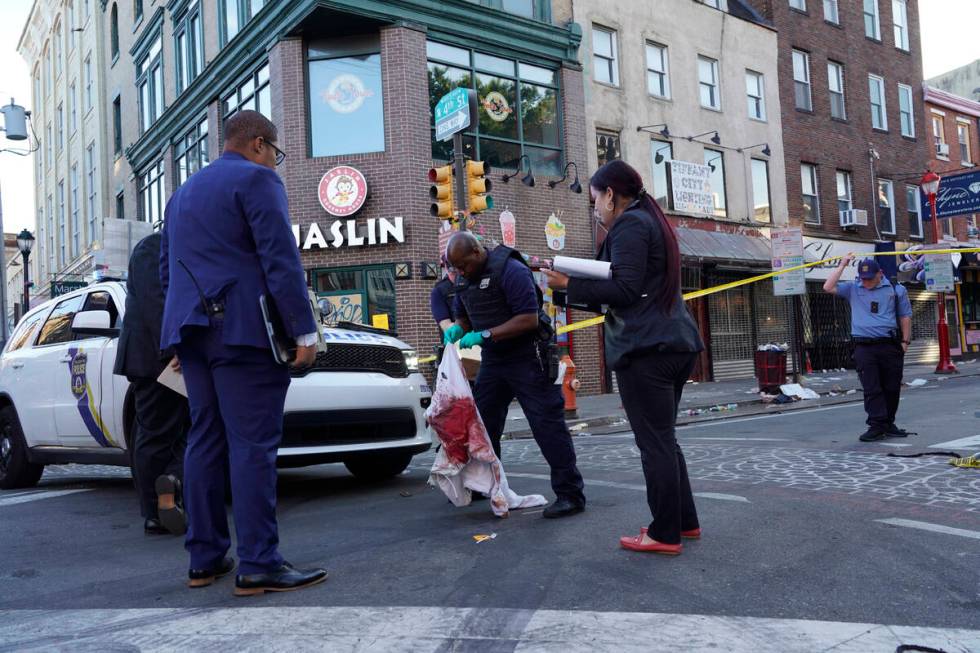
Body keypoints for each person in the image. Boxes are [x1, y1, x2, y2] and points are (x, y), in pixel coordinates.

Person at [160, 110, 327, 596]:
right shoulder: (258, 180)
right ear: (259, 144)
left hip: (192, 331)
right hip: (241, 330)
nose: (276, 161)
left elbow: (167, 274)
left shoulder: (180, 195)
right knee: (252, 444)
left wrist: (175, 338)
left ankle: (204, 558)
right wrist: (304, 331)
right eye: (276, 152)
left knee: (204, 438)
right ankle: (259, 562)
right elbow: (280, 259)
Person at [543, 159, 704, 556]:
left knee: (654, 445)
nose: (595, 208)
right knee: (664, 440)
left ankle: (664, 533)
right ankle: (684, 521)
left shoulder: (630, 224)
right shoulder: (650, 221)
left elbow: (626, 290)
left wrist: (568, 284)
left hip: (646, 349)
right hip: (672, 343)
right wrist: (571, 288)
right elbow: (630, 286)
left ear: (611, 195)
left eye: (595, 200)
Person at [445, 232, 586, 518]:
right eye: (455, 268)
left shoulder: (512, 270)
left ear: (476, 251)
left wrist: (485, 334)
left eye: (463, 265)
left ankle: (570, 494)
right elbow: (464, 315)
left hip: (528, 356)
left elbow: (528, 318)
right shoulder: (463, 278)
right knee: (483, 426)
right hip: (495, 360)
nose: (460, 272)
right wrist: (459, 327)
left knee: (547, 424)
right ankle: (486, 486)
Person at [114, 230, 190, 537]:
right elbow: (153, 300)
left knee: (187, 429)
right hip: (158, 357)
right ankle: (155, 511)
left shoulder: (179, 247)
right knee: (156, 432)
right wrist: (176, 346)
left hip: (170, 354)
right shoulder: (152, 246)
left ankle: (170, 488)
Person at [823, 256, 913, 442]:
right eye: (863, 278)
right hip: (864, 346)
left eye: (870, 278)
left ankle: (888, 423)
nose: (866, 282)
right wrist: (842, 265)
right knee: (872, 387)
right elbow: (827, 287)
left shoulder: (896, 289)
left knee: (892, 386)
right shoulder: (853, 289)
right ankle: (876, 424)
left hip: (889, 344)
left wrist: (905, 342)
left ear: (880, 274)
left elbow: (905, 316)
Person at [430, 254, 458, 336]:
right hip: (457, 344)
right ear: (446, 268)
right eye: (453, 273)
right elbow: (446, 325)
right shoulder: (440, 290)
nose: (458, 277)